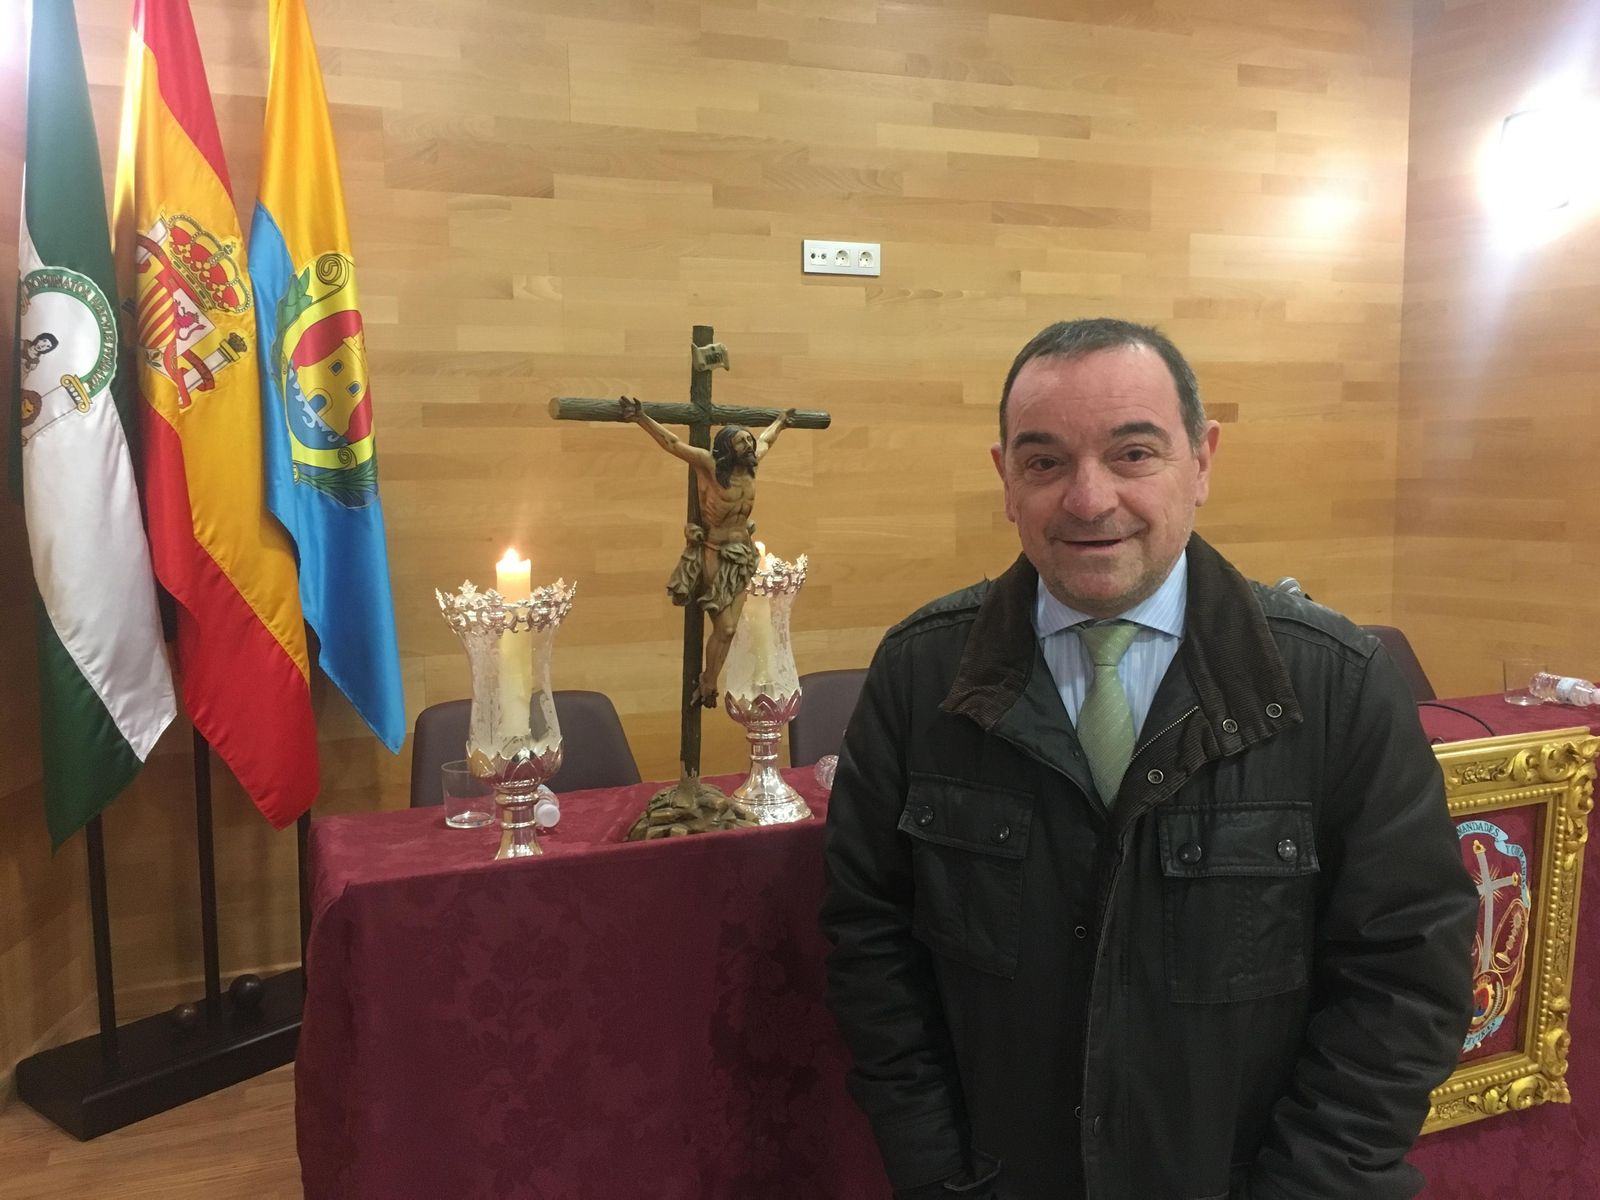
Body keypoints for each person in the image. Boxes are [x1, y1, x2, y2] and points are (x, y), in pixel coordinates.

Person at [820, 318, 1477, 1200]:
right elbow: (872, 951)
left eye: (1133, 453)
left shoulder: (1337, 686)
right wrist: (938, 1174)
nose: (1089, 500)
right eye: (1045, 461)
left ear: (1202, 461)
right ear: (1005, 479)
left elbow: (1405, 978)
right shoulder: (918, 676)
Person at [618, 396, 795, 706]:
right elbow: (672, 443)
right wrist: (642, 418)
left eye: (748, 442)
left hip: (744, 555)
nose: (749, 447)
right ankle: (709, 681)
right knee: (725, 625)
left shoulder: (751, 468)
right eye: (741, 443)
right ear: (727, 448)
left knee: (730, 630)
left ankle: (708, 682)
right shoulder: (710, 466)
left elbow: (767, 438)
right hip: (715, 551)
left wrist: (781, 421)